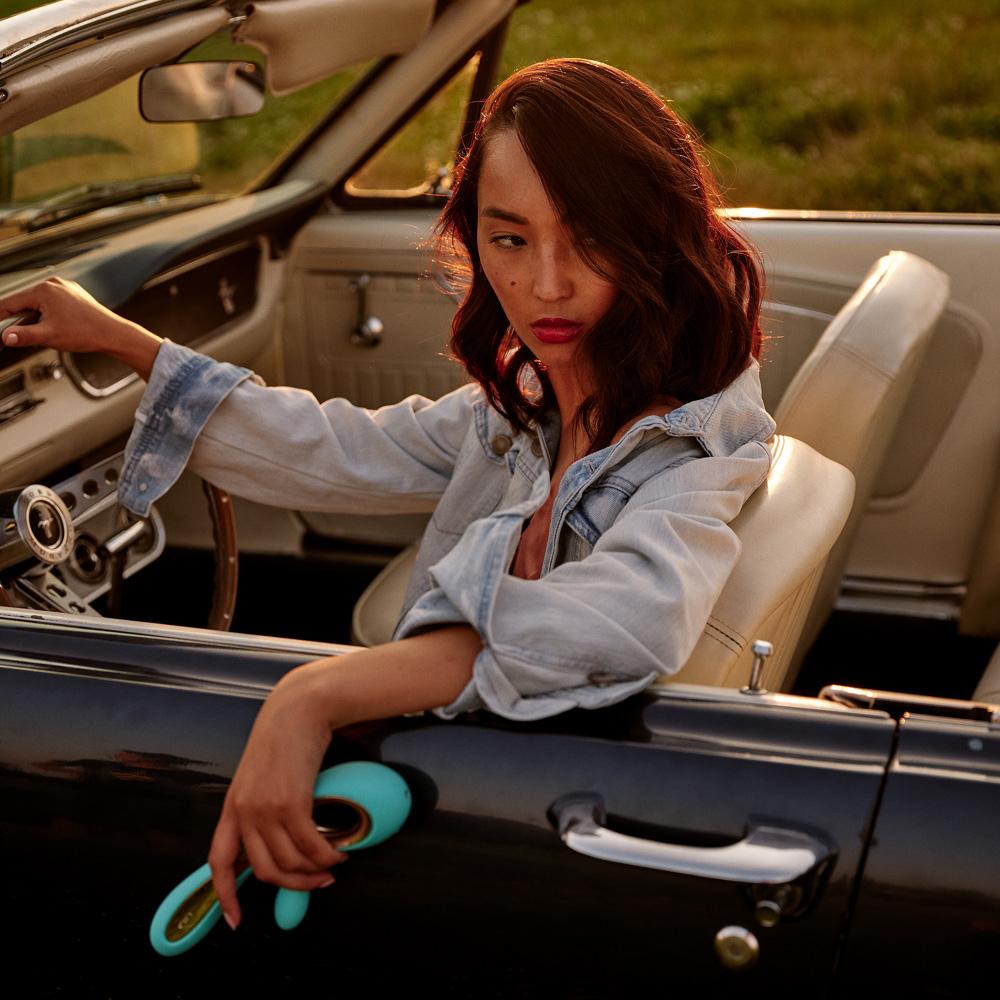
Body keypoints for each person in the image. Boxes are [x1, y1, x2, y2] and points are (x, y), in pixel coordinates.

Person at [0, 59, 775, 929]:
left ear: (657, 234)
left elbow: (628, 618)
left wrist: (314, 694)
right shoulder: (535, 396)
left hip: (530, 829)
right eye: (509, 240)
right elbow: (345, 451)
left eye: (589, 239)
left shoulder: (699, 445)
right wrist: (126, 343)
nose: (547, 285)